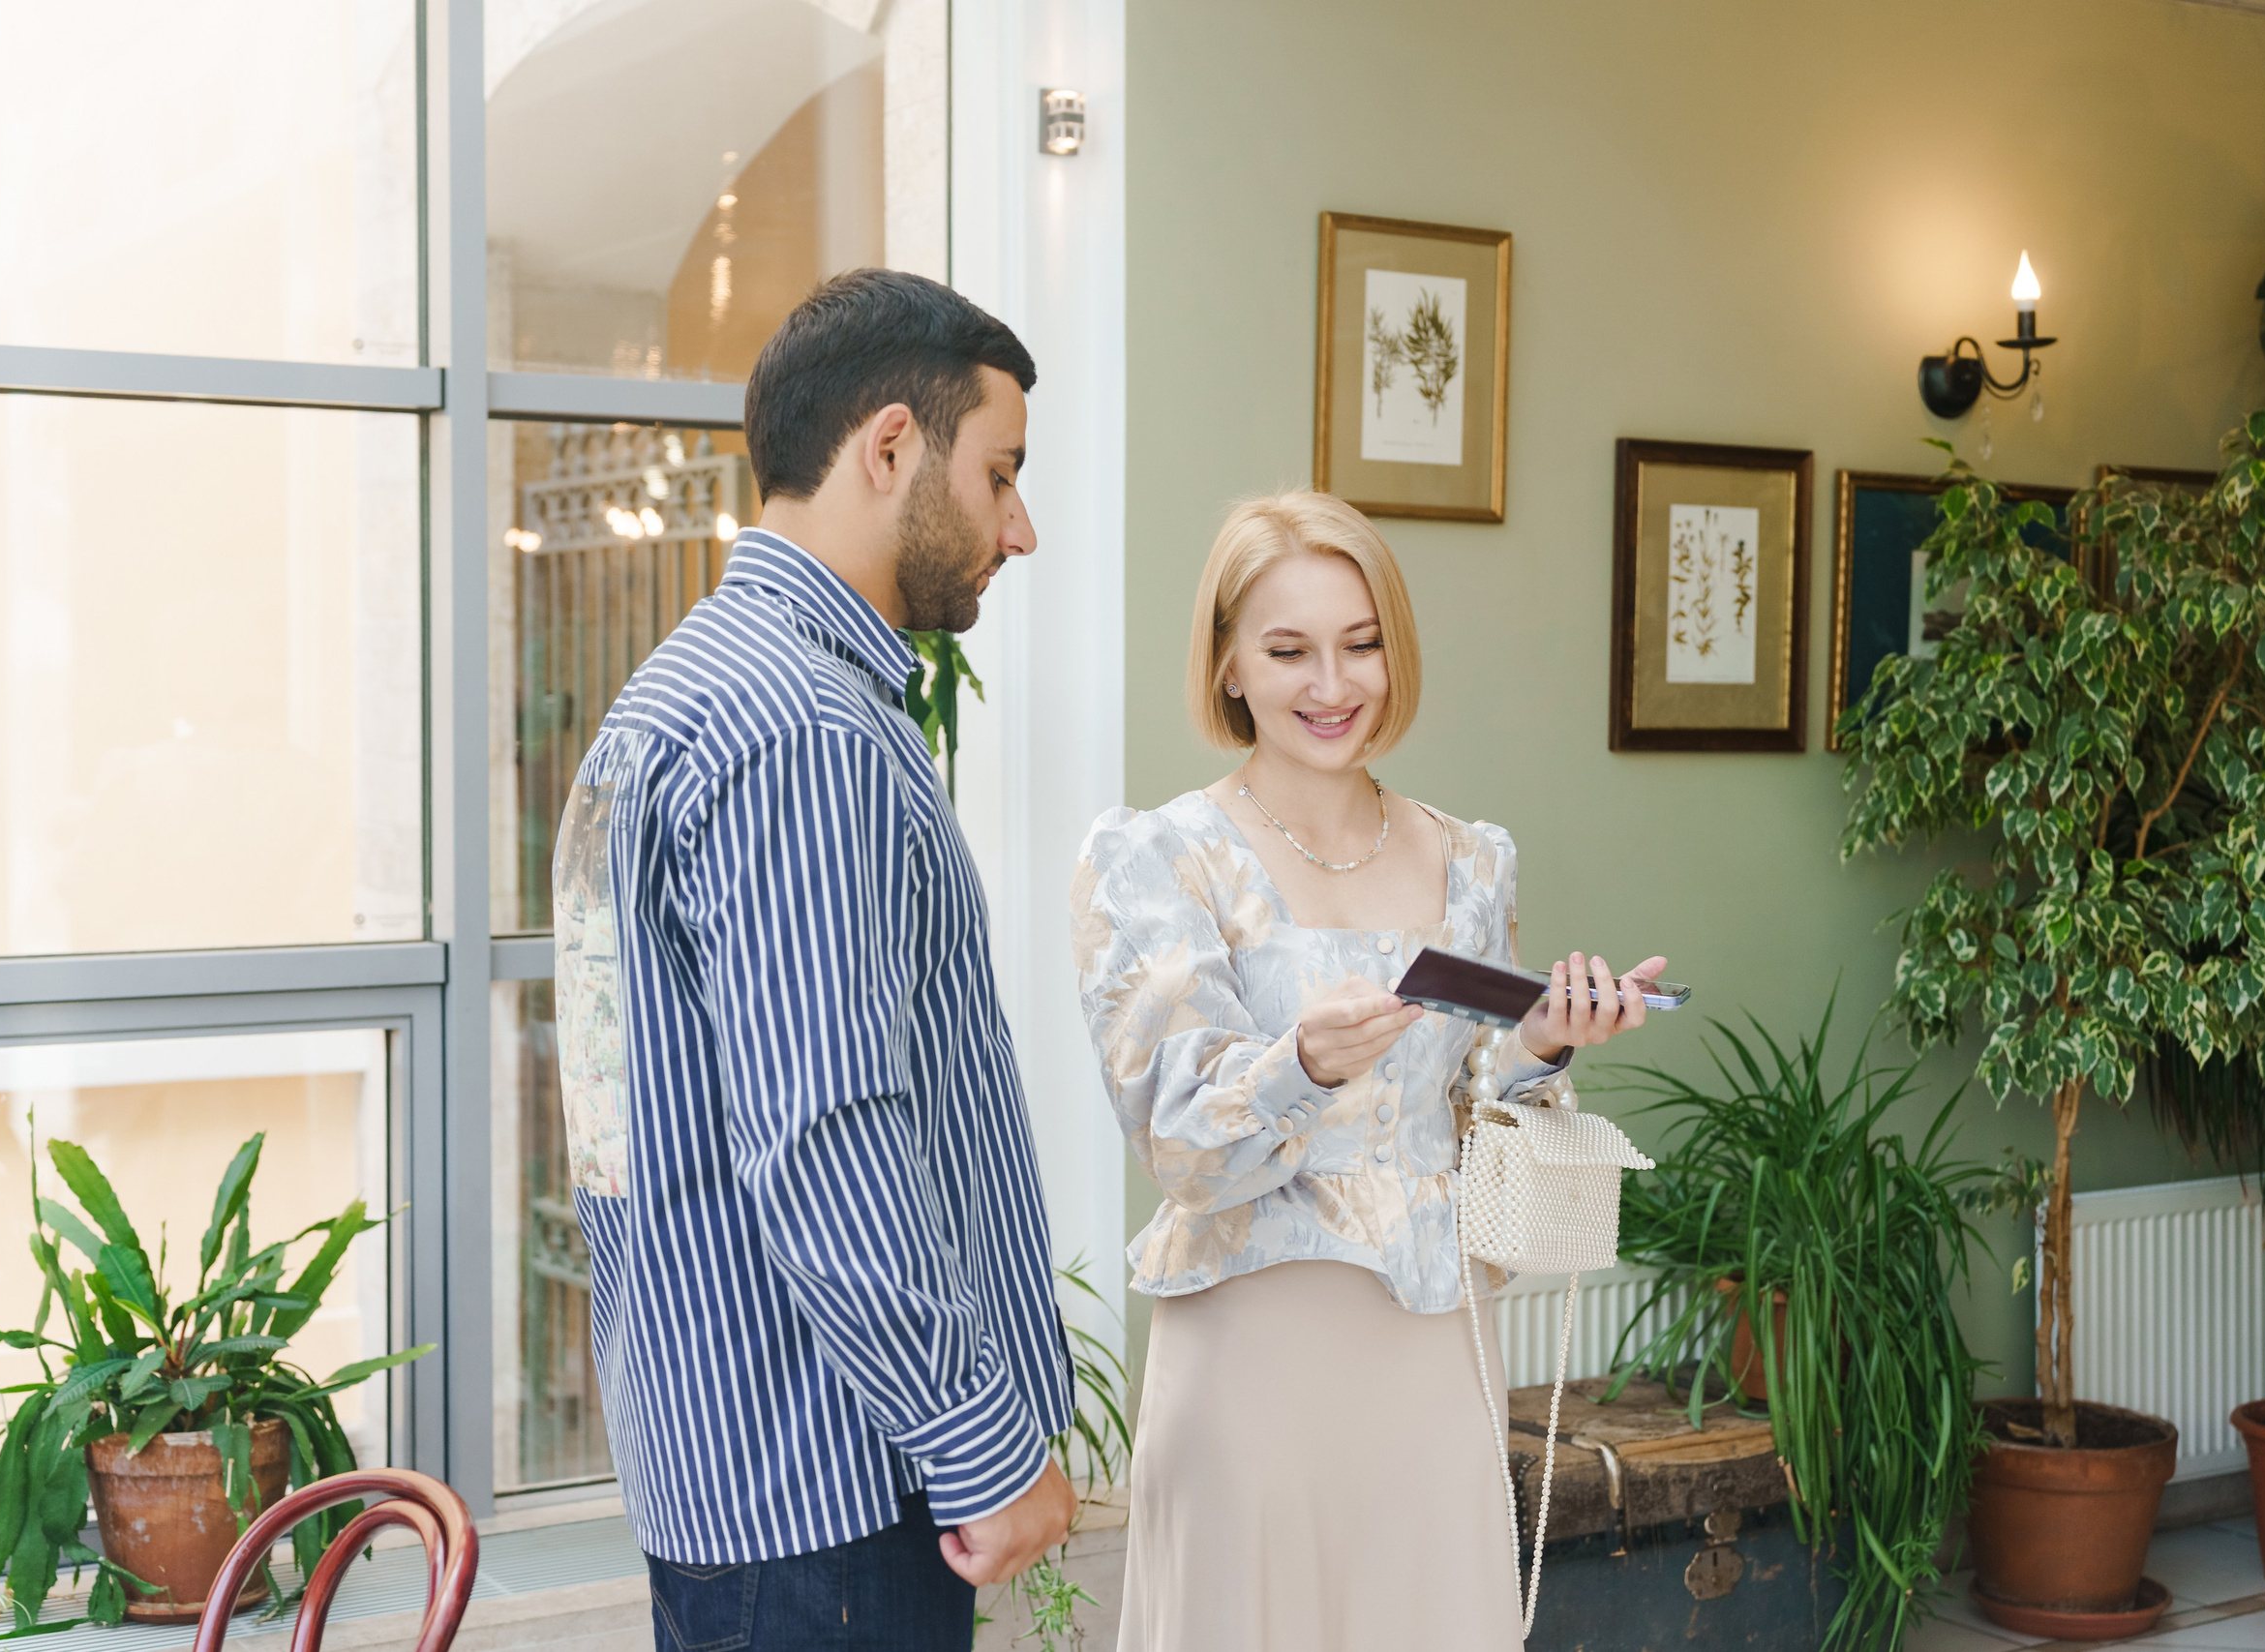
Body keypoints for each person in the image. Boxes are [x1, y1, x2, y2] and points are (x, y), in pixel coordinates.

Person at [552, 268, 1077, 1652]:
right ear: (891, 446)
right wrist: (980, 1435)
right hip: (827, 1498)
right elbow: (827, 1131)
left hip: (734, 1477)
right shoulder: (800, 730)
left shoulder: (683, 687)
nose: (1019, 529)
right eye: (1001, 472)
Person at [1072, 491, 1668, 1651]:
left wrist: (1543, 1042)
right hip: (1251, 1361)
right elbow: (1180, 1148)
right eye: (1288, 649)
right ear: (1229, 664)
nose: (1330, 685)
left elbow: (1468, 1106)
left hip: (1436, 1355)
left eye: (1361, 644)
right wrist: (1297, 1065)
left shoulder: (1470, 860)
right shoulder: (1157, 858)